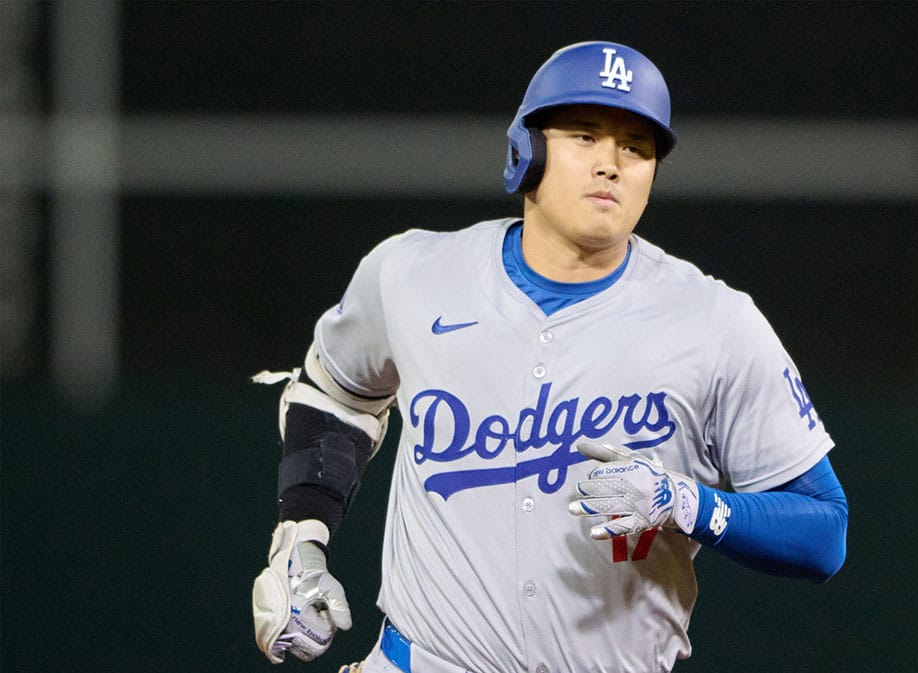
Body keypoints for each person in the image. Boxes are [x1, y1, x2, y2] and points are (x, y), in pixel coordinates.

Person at [251, 41, 848, 673]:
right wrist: (301, 540)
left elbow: (823, 532)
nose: (611, 164)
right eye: (585, 136)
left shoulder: (715, 322)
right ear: (525, 151)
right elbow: (336, 394)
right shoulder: (411, 274)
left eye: (635, 148)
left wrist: (689, 504)